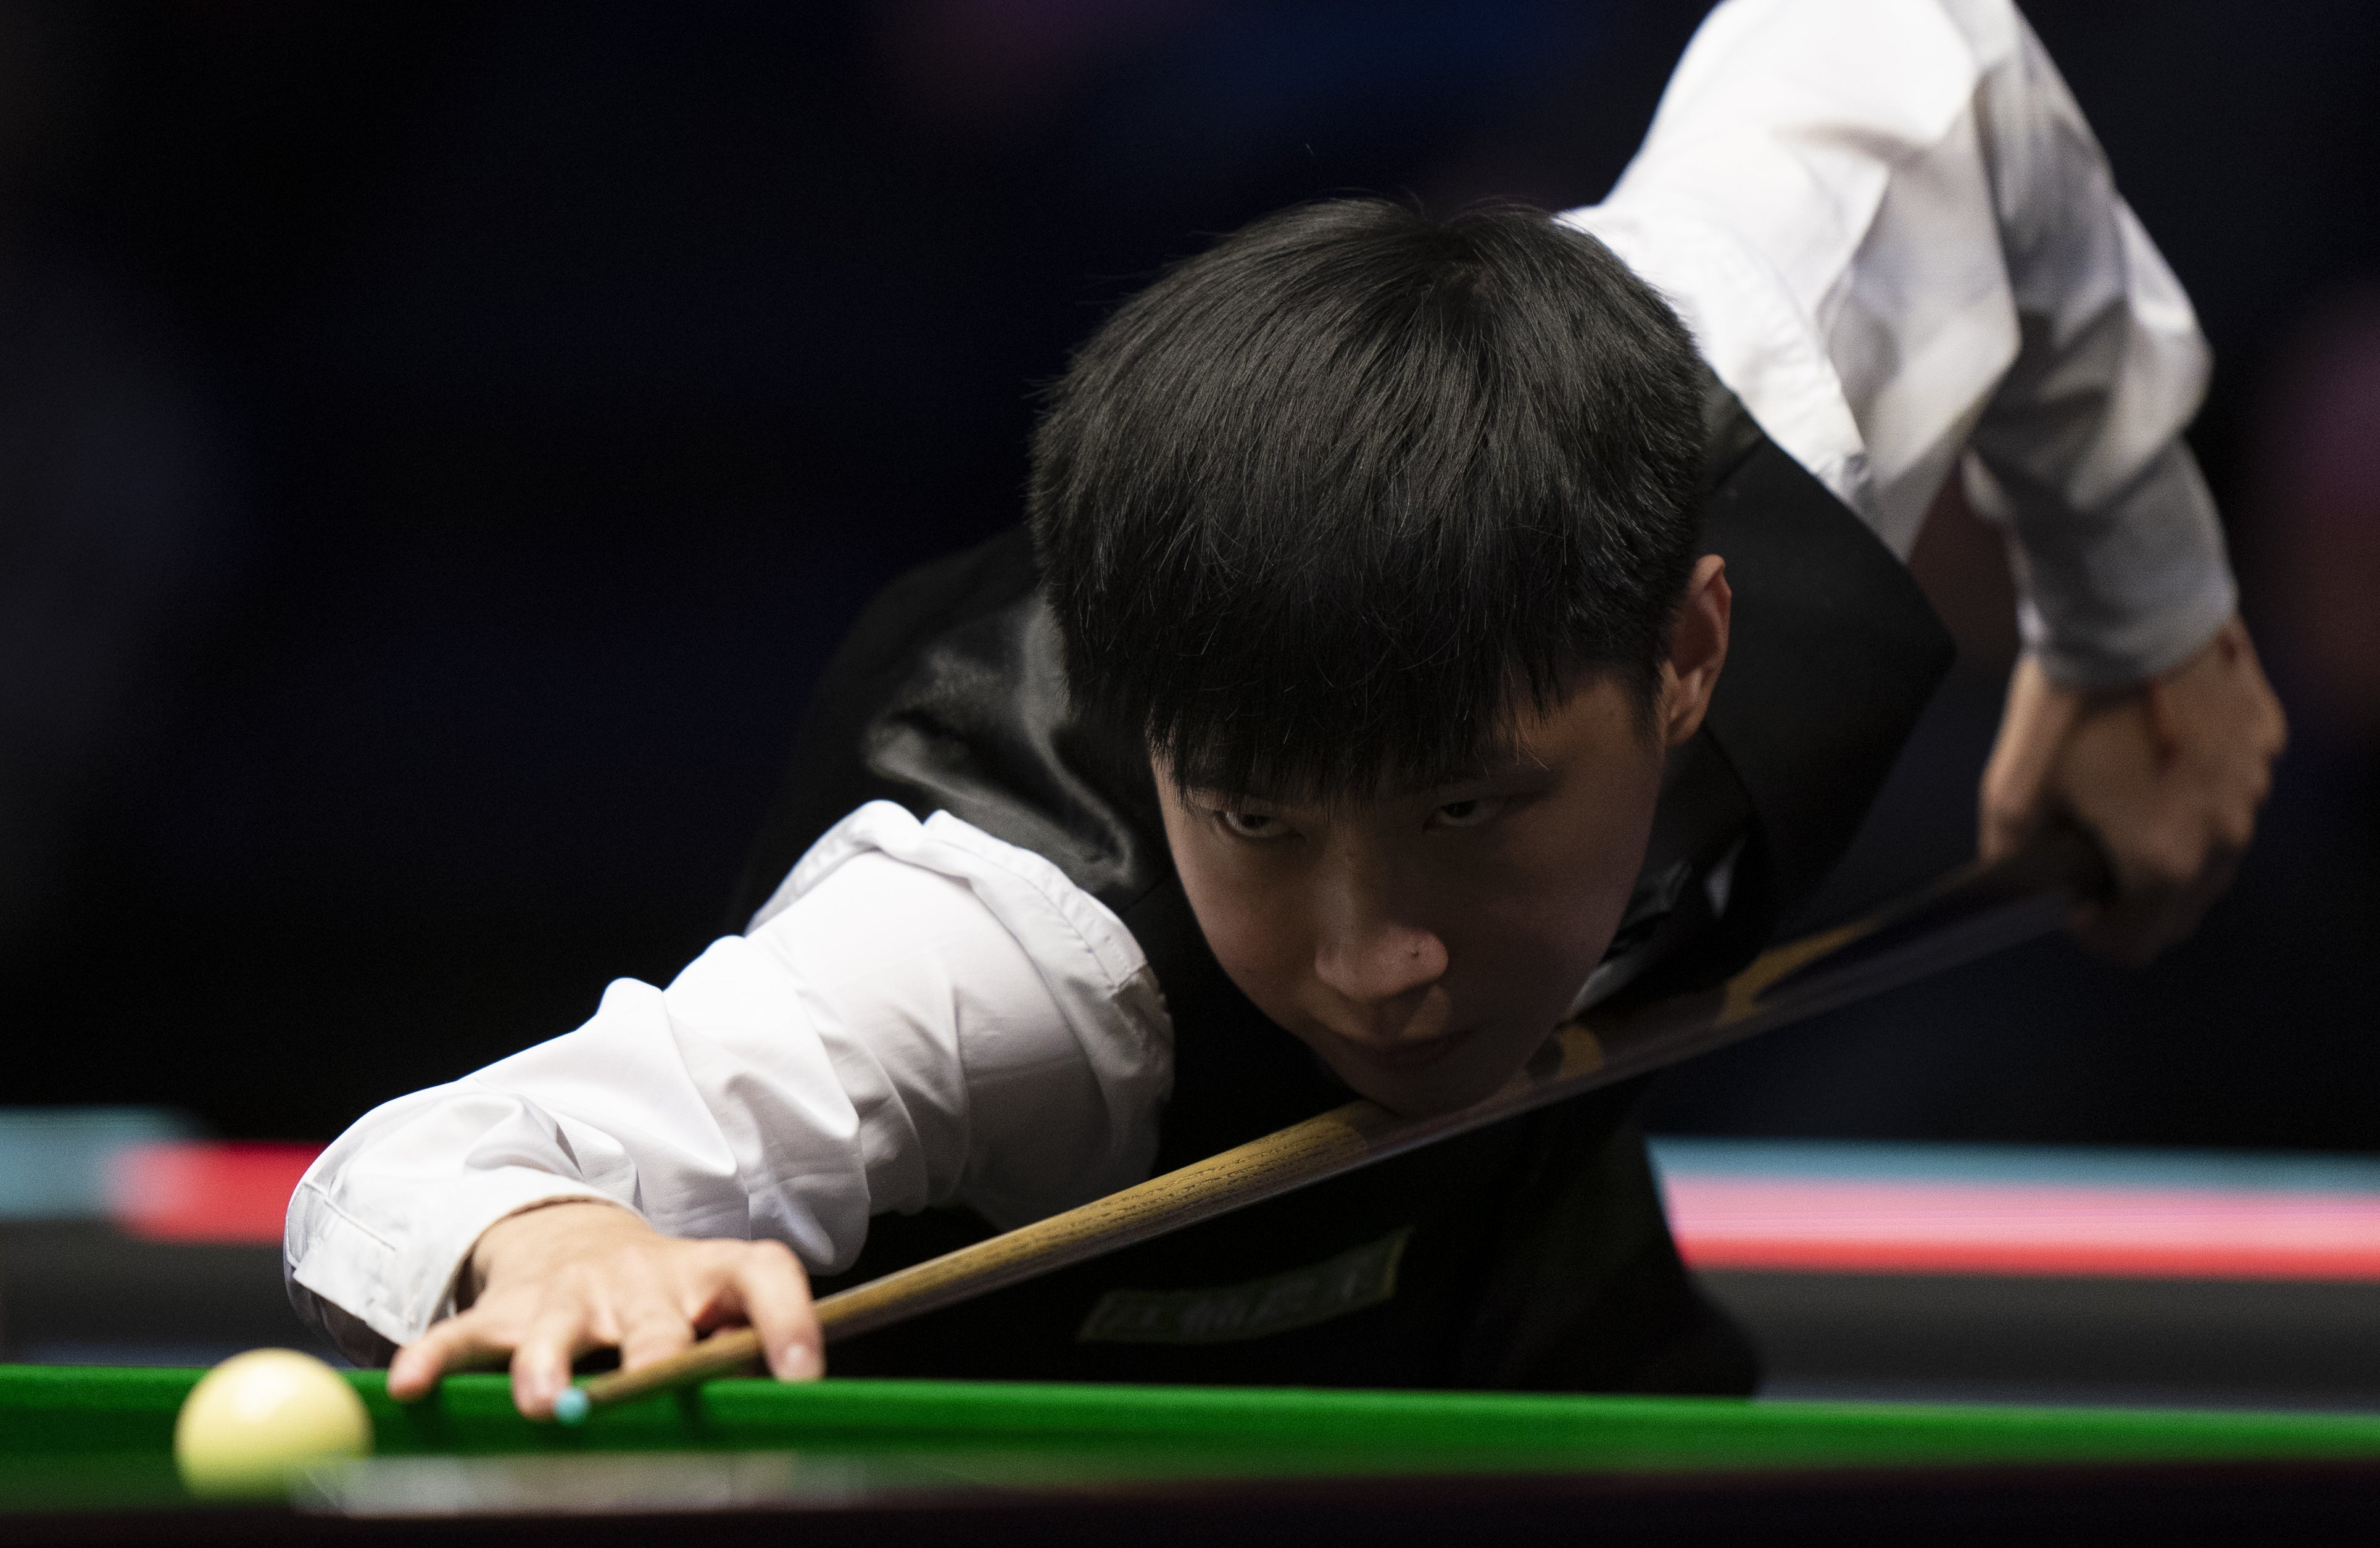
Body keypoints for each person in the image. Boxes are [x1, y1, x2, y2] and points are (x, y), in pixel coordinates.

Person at [285, 0, 2285, 1418]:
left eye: (1466, 809)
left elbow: (1938, 56)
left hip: (1531, 1305)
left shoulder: (1763, 398)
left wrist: (2143, 627)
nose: (1374, 957)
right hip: (1025, 1435)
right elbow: (433, 1158)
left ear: (1686, 651)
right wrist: (563, 1240)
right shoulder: (1003, 955)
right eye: (1254, 820)